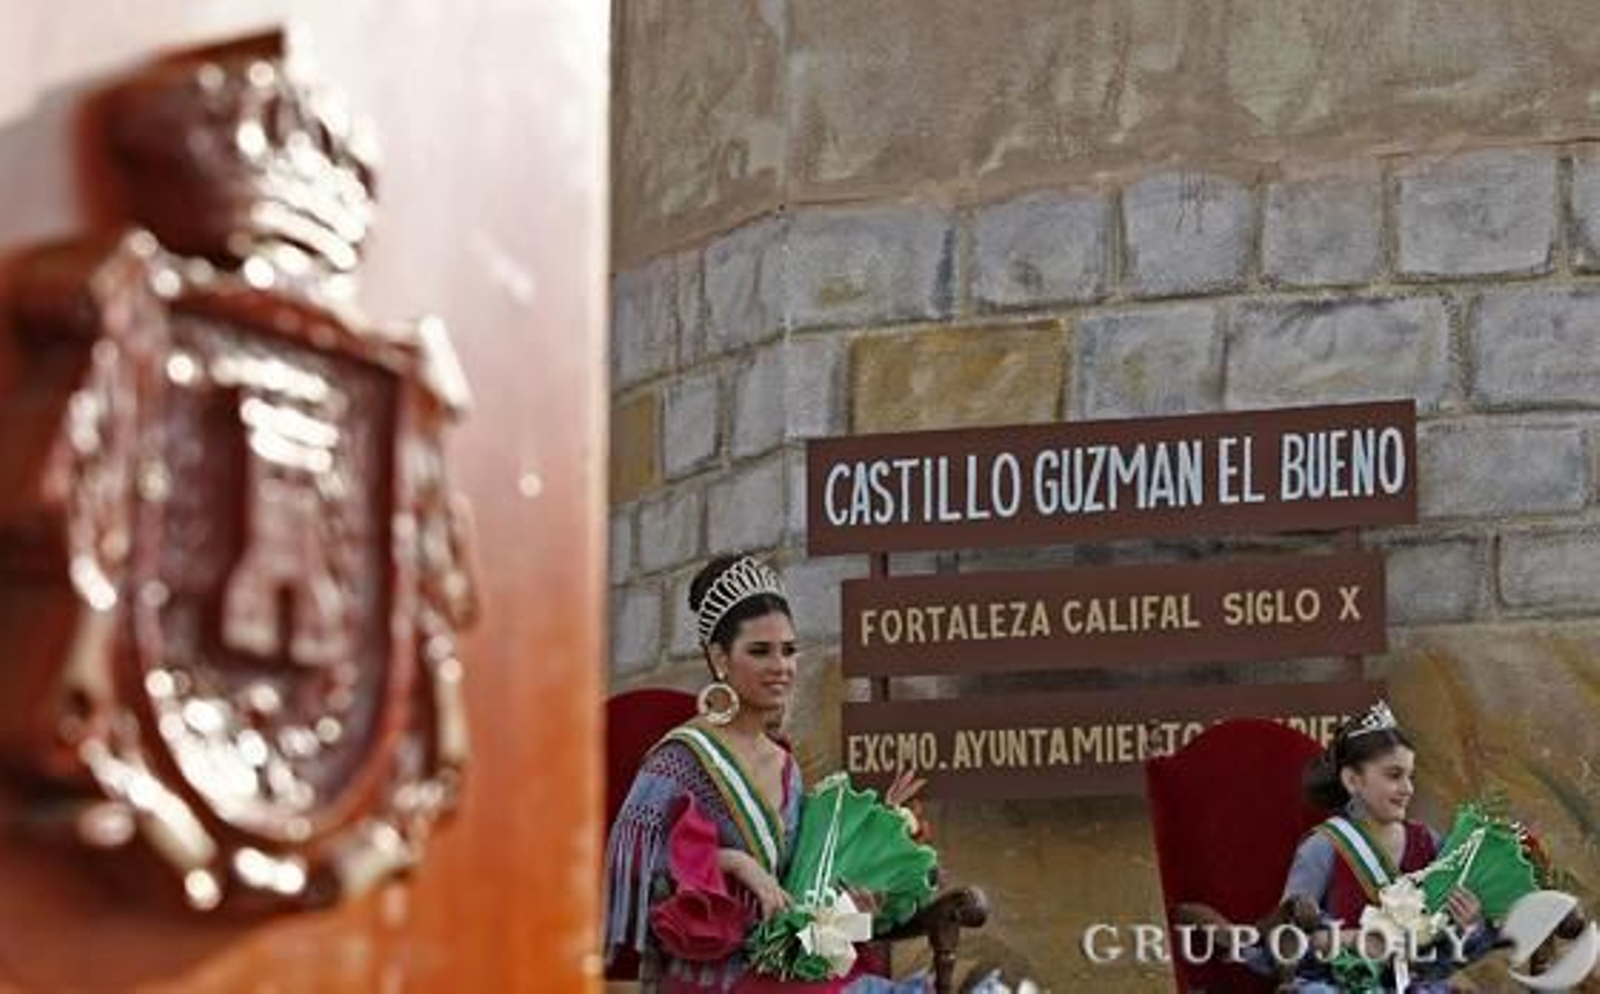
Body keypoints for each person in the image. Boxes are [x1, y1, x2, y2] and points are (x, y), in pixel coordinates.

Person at [603, 554, 928, 993]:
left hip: (787, 964)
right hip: (714, 974)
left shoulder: (786, 767)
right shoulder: (682, 759)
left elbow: (798, 883)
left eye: (789, 650)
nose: (781, 666)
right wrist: (732, 863)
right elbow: (633, 866)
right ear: (720, 657)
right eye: (760, 651)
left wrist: (872, 843)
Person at [1273, 701, 1494, 992]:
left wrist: (1466, 927)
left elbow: (1443, 956)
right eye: (1394, 775)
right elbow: (1288, 941)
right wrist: (1353, 940)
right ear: (1353, 780)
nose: (1408, 788)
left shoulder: (1429, 843)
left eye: (1410, 776)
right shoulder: (1323, 848)